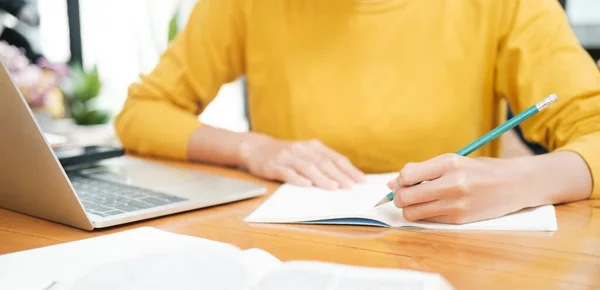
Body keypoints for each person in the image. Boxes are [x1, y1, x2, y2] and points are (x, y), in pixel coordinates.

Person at [115, 0, 600, 224]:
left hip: (455, 265)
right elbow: (143, 112)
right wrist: (250, 147)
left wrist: (519, 181)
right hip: (293, 259)